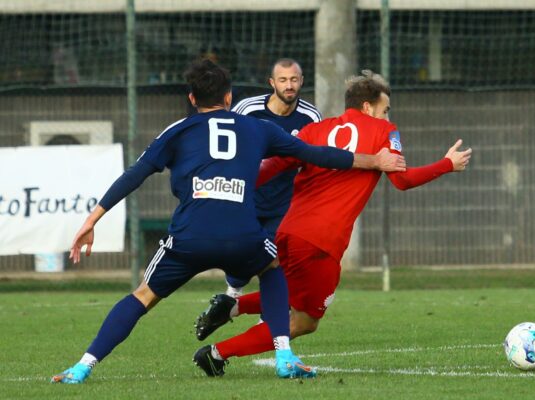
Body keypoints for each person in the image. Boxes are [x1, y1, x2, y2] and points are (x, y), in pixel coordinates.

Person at [50, 61, 406, 384]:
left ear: (192, 98)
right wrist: (372, 160)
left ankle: (83, 366)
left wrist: (92, 219)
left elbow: (135, 174)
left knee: (142, 296)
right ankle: (284, 355)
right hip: (242, 234)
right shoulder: (255, 128)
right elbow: (316, 154)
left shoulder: (178, 129)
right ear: (229, 96)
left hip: (190, 235)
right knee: (271, 268)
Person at [193, 70, 472, 376]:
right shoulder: (384, 130)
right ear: (368, 106)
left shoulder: (316, 129)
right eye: (385, 108)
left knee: (290, 296)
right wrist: (447, 164)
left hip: (288, 231)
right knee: (304, 320)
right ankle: (217, 354)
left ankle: (230, 306)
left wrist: (230, 188)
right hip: (320, 242)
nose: (387, 115)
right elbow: (402, 180)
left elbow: (274, 165)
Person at [223, 58, 322, 298]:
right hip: (247, 198)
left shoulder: (311, 117)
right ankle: (233, 291)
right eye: (283, 80)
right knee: (242, 256)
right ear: (272, 83)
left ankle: (268, 317)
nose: (289, 85)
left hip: (285, 202)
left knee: (273, 259)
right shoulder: (247, 109)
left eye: (294, 80)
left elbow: (315, 160)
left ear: (301, 82)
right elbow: (228, 147)